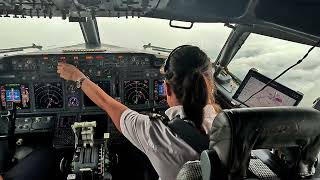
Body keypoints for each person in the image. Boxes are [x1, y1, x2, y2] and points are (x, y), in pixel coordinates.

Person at [57, 45, 221, 180]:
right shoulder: (231, 124)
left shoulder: (155, 132)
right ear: (210, 86)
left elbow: (106, 103)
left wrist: (77, 76)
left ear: (167, 89)